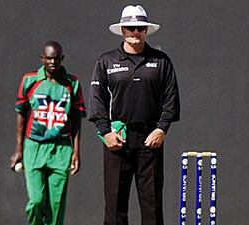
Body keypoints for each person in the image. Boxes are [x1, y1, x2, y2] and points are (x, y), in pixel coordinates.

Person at [88, 5, 180, 225]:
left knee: (152, 204)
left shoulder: (161, 61)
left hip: (150, 139)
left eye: (140, 28)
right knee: (115, 205)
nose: (135, 32)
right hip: (117, 138)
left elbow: (171, 97)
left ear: (146, 31)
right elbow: (97, 99)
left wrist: (162, 128)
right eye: (130, 28)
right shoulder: (106, 61)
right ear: (123, 31)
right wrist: (105, 132)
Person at [10, 40, 86, 225]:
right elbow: (21, 115)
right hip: (34, 147)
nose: (53, 63)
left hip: (61, 149)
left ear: (62, 59)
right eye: (49, 59)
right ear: (42, 58)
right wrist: (19, 149)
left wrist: (76, 152)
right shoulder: (30, 80)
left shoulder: (72, 83)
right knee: (36, 201)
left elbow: (76, 120)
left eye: (56, 59)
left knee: (56, 205)